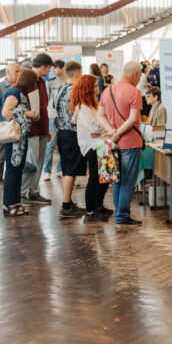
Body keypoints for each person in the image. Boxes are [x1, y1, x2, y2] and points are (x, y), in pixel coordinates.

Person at [98, 61, 144, 226]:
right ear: (135, 75)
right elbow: (133, 119)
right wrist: (118, 133)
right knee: (127, 181)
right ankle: (122, 216)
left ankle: (120, 214)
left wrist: (111, 132)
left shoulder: (107, 90)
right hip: (129, 142)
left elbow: (100, 116)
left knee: (116, 180)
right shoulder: (134, 91)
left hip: (111, 143)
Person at [71, 75, 116, 222]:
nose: (98, 89)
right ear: (87, 89)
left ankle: (98, 206)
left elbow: (99, 125)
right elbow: (94, 126)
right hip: (91, 146)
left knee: (106, 177)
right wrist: (105, 128)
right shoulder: (83, 107)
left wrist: (103, 128)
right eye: (95, 86)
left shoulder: (91, 105)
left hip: (100, 143)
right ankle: (90, 211)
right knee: (95, 178)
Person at [0, 68, 40, 216]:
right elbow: (6, 112)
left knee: (18, 170)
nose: (35, 85)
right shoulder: (14, 92)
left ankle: (15, 202)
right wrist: (26, 113)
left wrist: (30, 116)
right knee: (12, 170)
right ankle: (8, 205)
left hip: (20, 138)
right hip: (14, 139)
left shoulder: (20, 93)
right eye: (34, 82)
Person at [52, 61, 86, 218]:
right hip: (73, 133)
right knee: (70, 170)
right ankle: (66, 205)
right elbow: (82, 113)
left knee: (67, 167)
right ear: (77, 73)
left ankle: (68, 202)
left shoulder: (58, 88)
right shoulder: (75, 90)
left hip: (62, 131)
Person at [21, 53, 54, 205]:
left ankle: (33, 192)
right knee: (31, 162)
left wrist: (46, 129)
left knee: (39, 162)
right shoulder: (28, 80)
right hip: (32, 129)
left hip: (41, 128)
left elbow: (43, 106)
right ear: (43, 66)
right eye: (49, 68)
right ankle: (23, 192)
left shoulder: (41, 81)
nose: (49, 71)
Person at [0, 63, 21, 188]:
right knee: (1, 154)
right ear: (8, 72)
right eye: (16, 72)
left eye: (20, 71)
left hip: (17, 126)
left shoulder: (19, 87)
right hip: (5, 128)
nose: (19, 74)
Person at [43, 59, 66, 181]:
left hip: (65, 117)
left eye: (56, 68)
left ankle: (60, 169)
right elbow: (47, 100)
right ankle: (47, 170)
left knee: (62, 144)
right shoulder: (50, 83)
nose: (53, 70)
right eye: (52, 68)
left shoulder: (68, 82)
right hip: (52, 116)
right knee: (50, 144)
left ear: (63, 68)